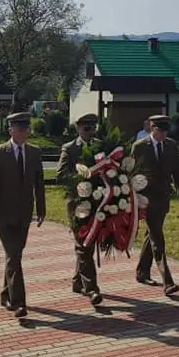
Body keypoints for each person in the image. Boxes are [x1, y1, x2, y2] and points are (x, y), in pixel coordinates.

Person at [0, 112, 46, 318]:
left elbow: (39, 183)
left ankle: (5, 293)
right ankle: (18, 302)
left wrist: (42, 209)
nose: (24, 133)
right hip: (4, 214)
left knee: (15, 256)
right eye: (20, 129)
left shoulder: (35, 153)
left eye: (26, 129)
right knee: (13, 256)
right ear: (10, 130)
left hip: (24, 213)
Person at [133, 114, 179, 296]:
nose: (163, 135)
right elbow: (130, 173)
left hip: (163, 198)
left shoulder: (172, 146)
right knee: (158, 238)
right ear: (151, 128)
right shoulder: (139, 147)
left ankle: (142, 272)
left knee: (152, 233)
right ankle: (168, 281)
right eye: (160, 131)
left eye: (166, 131)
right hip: (146, 199)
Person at [57, 113, 104, 305]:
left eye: (92, 128)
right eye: (86, 128)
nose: (89, 132)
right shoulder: (69, 149)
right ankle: (91, 288)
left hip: (97, 202)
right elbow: (61, 175)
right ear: (78, 128)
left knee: (88, 244)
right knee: (83, 244)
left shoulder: (100, 146)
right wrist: (81, 179)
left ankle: (78, 281)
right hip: (77, 204)